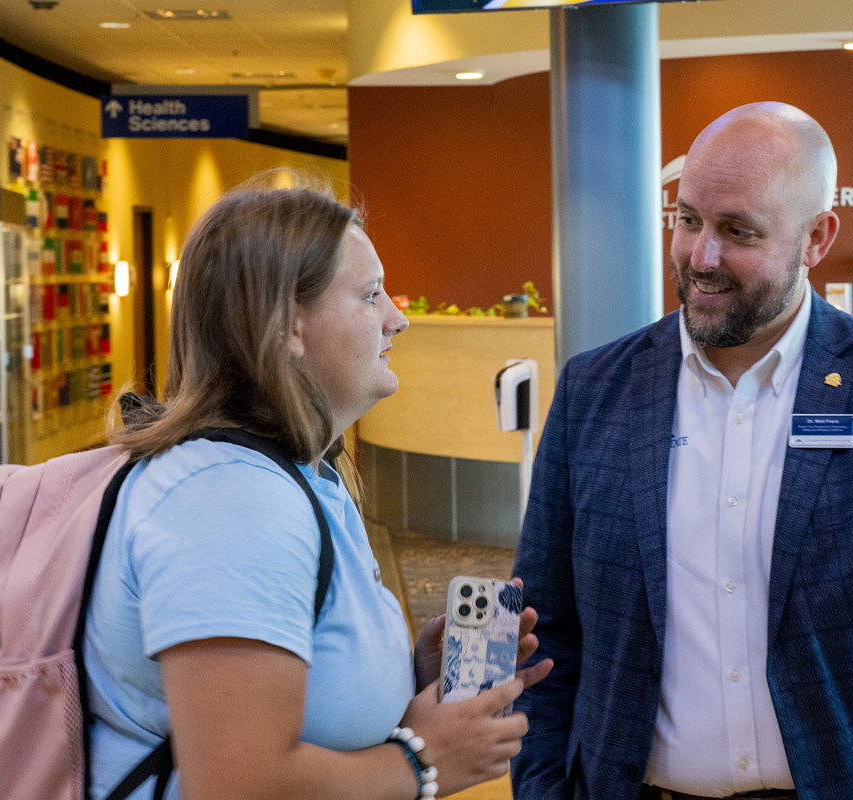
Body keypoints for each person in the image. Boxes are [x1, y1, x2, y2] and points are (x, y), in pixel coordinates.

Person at [511, 102, 853, 800]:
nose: (702, 257)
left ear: (816, 238)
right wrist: (542, 786)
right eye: (688, 220)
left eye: (738, 231)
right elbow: (543, 629)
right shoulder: (595, 390)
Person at [85, 175, 553, 800]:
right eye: (370, 295)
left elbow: (292, 706)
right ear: (287, 326)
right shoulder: (230, 501)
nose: (397, 320)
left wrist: (403, 676)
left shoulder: (300, 475)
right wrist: (423, 761)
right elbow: (236, 784)